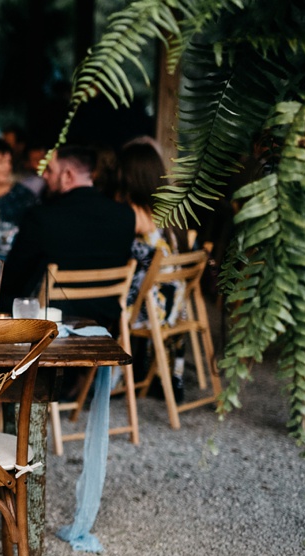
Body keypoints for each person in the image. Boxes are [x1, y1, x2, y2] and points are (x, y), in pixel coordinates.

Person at [1, 144, 136, 330]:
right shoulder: (125, 215)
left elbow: (12, 278)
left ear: (67, 176)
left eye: (49, 170)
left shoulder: (41, 218)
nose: (44, 175)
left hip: (54, 323)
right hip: (106, 320)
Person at [116, 139, 191, 399]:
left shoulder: (135, 213)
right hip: (176, 305)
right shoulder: (170, 208)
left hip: (150, 307)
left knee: (104, 299)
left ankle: (108, 379)